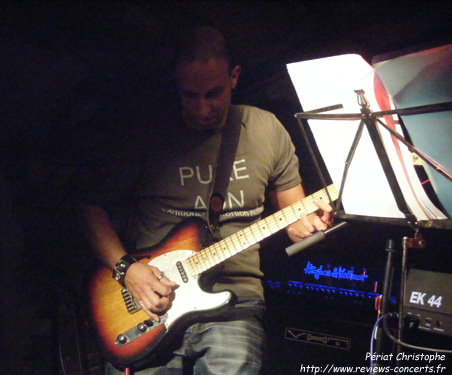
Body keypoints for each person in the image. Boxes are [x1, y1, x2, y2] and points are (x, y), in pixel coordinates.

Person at [80, 25, 333, 375]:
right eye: (190, 95)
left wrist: (307, 224)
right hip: (148, 298)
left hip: (235, 299)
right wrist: (128, 271)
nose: (202, 109)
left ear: (234, 77)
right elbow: (91, 210)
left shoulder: (265, 129)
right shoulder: (147, 133)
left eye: (213, 94)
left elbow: (294, 217)